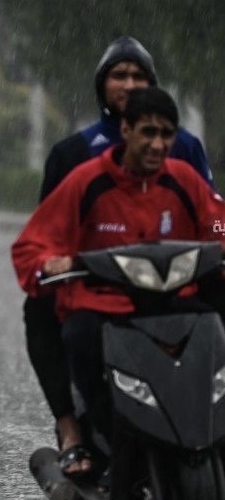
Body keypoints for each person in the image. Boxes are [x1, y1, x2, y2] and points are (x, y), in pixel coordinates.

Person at [23, 36, 215, 477]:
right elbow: (46, 232)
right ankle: (73, 428)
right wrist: (55, 261)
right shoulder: (73, 156)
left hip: (176, 282)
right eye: (119, 75)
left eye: (138, 76)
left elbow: (213, 216)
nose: (129, 84)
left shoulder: (185, 151)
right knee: (42, 308)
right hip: (99, 288)